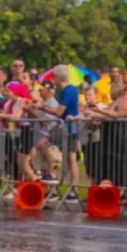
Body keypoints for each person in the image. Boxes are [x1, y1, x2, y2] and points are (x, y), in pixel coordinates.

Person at [85, 72, 127, 200]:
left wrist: (99, 111)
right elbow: (110, 113)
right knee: (123, 167)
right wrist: (94, 114)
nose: (118, 84)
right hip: (119, 136)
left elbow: (120, 114)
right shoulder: (120, 97)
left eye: (121, 81)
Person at [34, 65, 81, 200]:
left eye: (54, 76)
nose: (53, 79)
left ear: (59, 77)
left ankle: (52, 174)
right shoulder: (71, 90)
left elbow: (58, 112)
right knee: (71, 159)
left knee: (43, 144)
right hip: (70, 126)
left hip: (65, 125)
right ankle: (73, 191)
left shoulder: (67, 91)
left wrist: (43, 106)